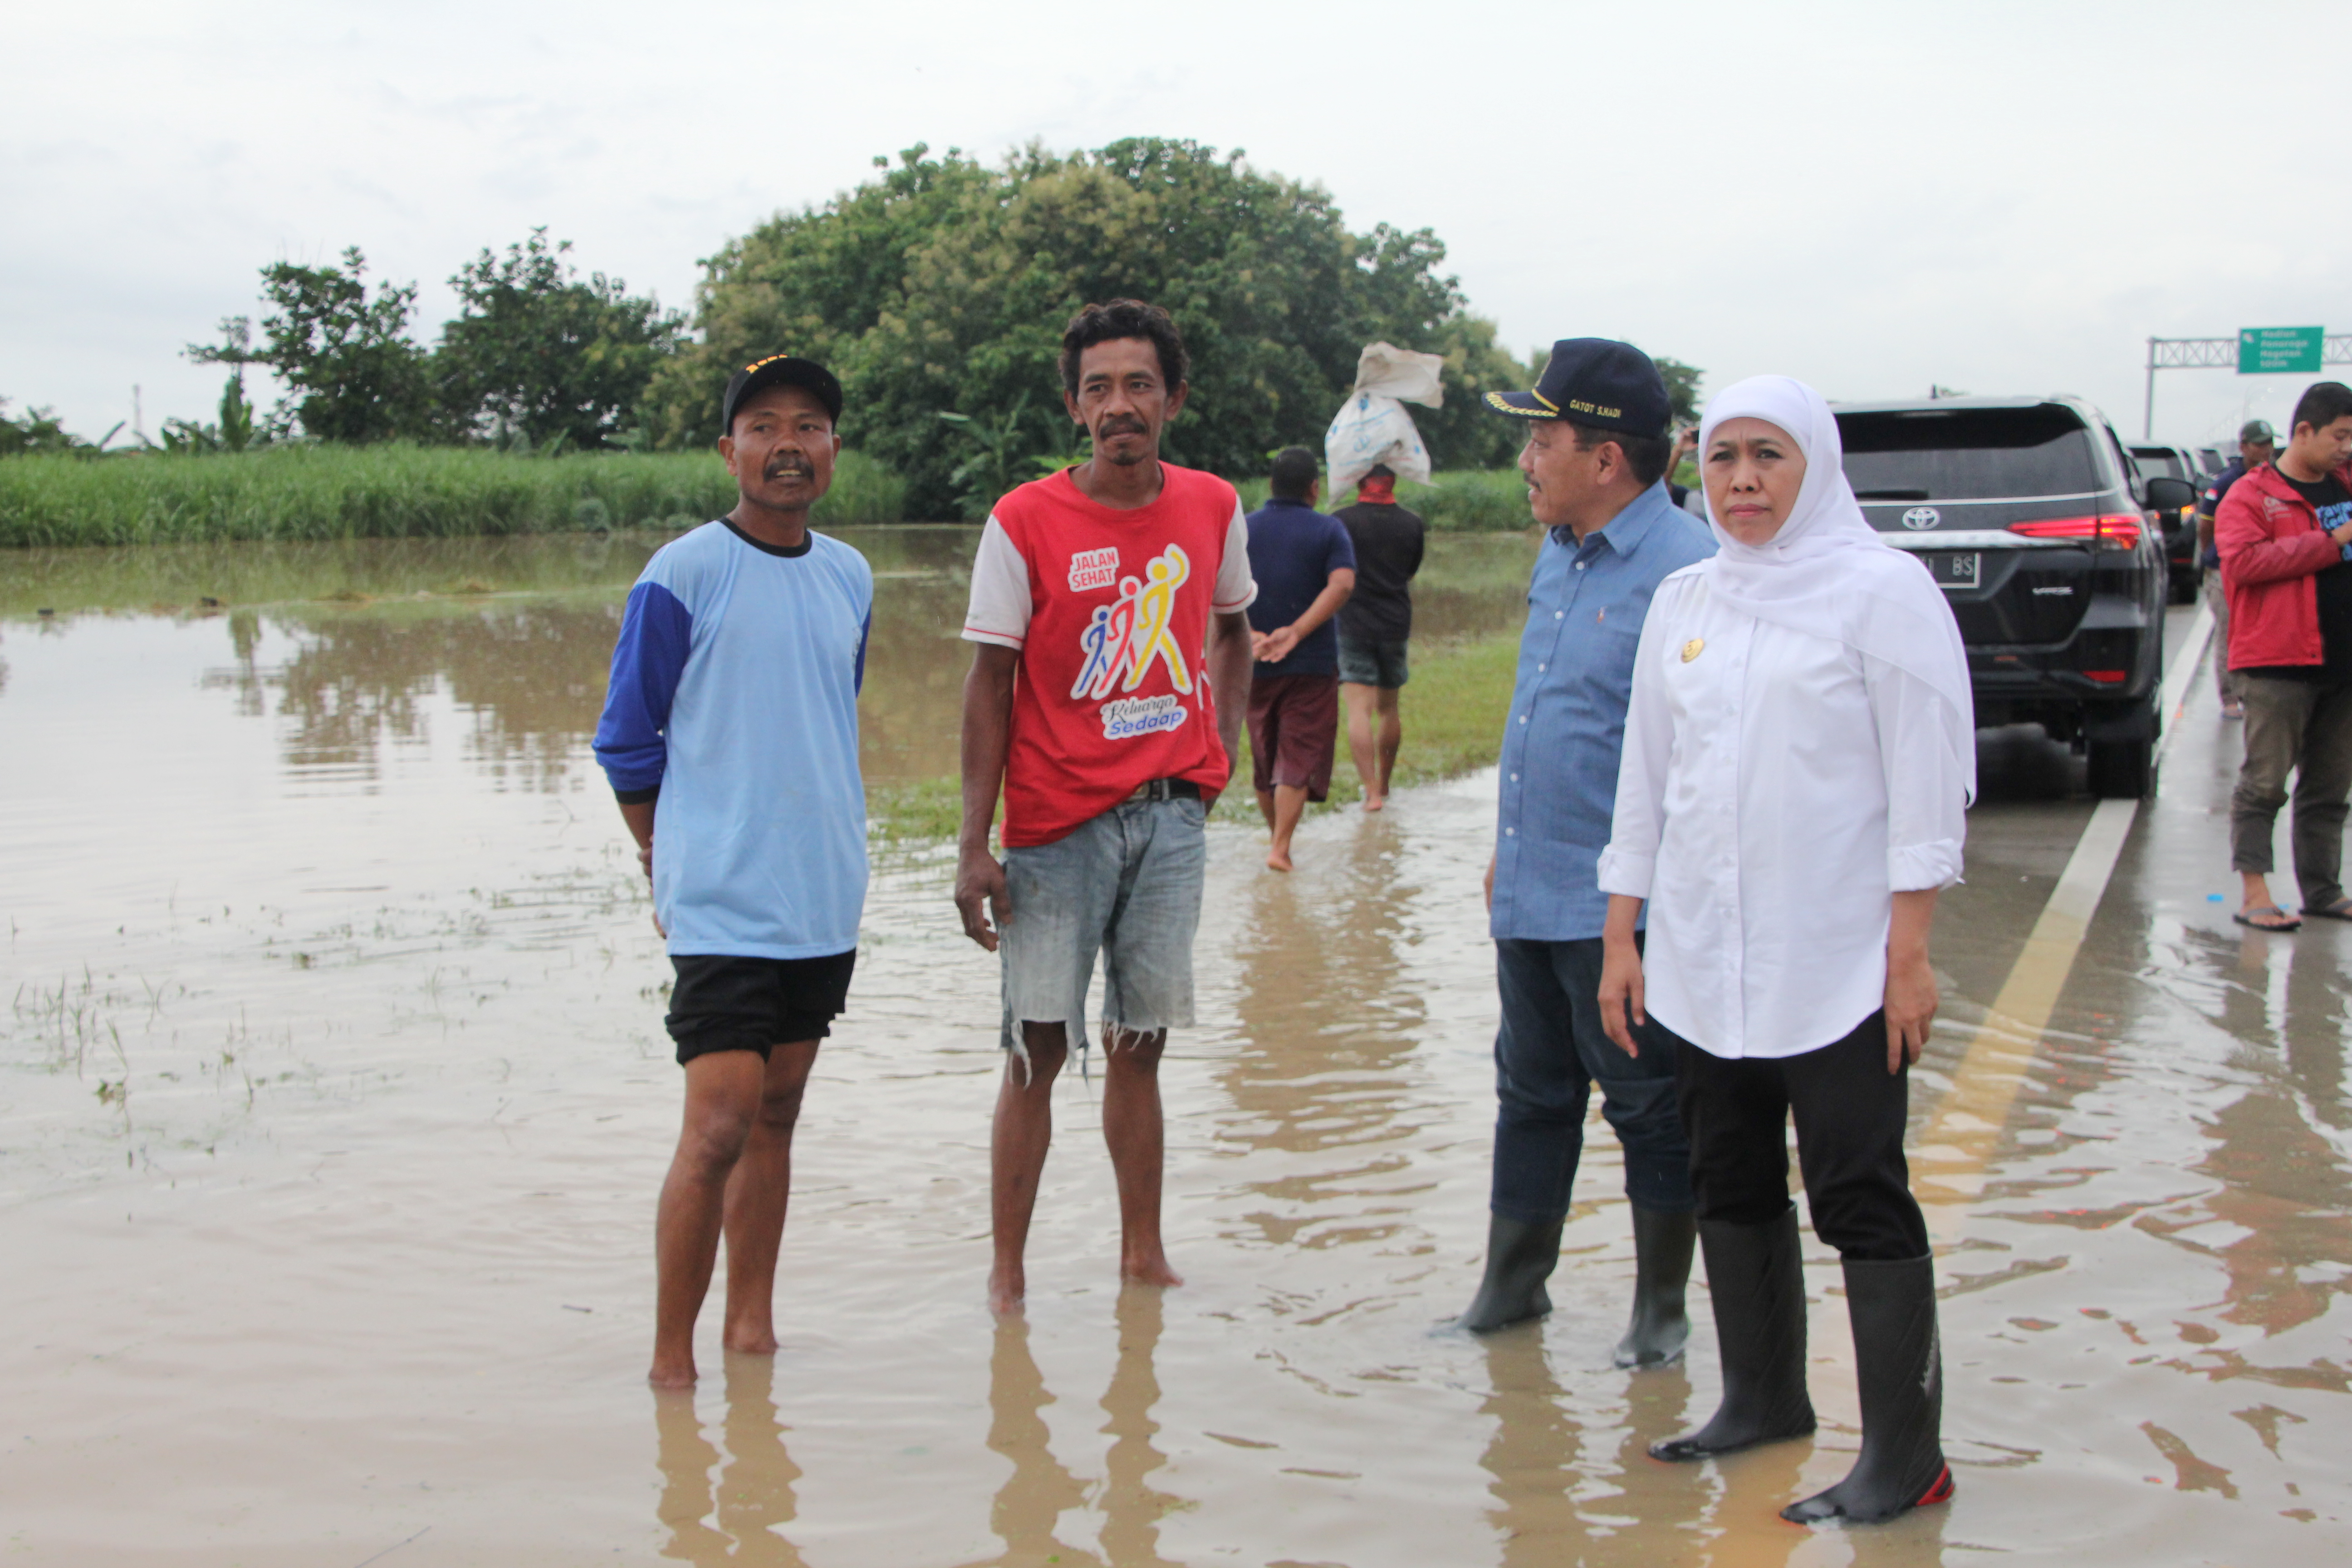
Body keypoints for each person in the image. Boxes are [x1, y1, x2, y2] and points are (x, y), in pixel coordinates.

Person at [1597, 375, 1974, 1526]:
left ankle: (1905, 1457)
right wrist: (1624, 935)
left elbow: (1926, 780)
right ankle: (1761, 1398)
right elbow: (1645, 776)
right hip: (1707, 959)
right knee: (1731, 1174)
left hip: (1841, 959)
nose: (1743, 481)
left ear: (1813, 465)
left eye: (1768, 456)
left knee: (1859, 1189)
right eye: (1721, 458)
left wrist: (1907, 952)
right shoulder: (1684, 597)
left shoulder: (1880, 592)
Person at [954, 299, 1257, 1314]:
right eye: (1098, 389)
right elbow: (988, 684)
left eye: (1138, 385)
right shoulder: (1024, 520)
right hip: (1053, 826)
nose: (1119, 405)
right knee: (1037, 1050)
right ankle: (1008, 1274)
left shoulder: (1214, 504)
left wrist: (1218, 754)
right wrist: (972, 846)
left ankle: (1142, 1256)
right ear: (1075, 407)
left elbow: (1234, 630)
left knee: (1143, 1041)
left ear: (1173, 397)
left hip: (1170, 817)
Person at [593, 354, 874, 1388]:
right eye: (762, 426)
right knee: (715, 1126)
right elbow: (627, 740)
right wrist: (662, 857)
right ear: (729, 450)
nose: (787, 443)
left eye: (808, 424)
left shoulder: (850, 574)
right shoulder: (682, 571)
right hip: (720, 896)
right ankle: (671, 1366)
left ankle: (751, 1332)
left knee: (779, 1111)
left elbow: (822, 715)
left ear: (834, 449)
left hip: (819, 892)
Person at [1458, 338, 1715, 1365]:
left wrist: (1649, 903)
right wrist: (1502, 848)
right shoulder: (1558, 549)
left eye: (1542, 437)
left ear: (1605, 457)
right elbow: (1548, 710)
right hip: (1530, 883)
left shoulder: (1691, 571)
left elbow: (1703, 760)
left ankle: (1660, 1313)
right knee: (1529, 1092)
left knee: (1647, 1107)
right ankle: (1508, 1295)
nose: (1526, 458)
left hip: (1628, 910)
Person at [2217, 382, 2352, 932]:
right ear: (2304, 432)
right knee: (2265, 784)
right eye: (2340, 436)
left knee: (2330, 788)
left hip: (2342, 665)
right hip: (2278, 663)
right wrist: (2334, 540)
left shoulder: (2345, 483)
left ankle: (2323, 890)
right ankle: (2255, 892)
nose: (2347, 448)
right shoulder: (2252, 496)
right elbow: (2244, 563)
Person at [1245, 446, 1356, 869]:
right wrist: (1297, 632)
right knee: (1296, 752)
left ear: (1270, 486)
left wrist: (1249, 633)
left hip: (1254, 662)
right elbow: (1343, 585)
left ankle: (1276, 838)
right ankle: (1280, 848)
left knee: (1264, 754)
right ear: (1315, 488)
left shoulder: (1243, 528)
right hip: (1311, 663)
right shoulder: (1329, 530)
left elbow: (1217, 586)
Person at [1332, 462, 1425, 811]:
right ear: (1393, 481)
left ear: (1358, 480)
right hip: (1395, 624)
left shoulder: (1341, 521)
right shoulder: (1412, 523)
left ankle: (1370, 792)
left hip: (1353, 623)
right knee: (1389, 709)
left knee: (1359, 710)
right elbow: (1411, 570)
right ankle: (1385, 785)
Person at [2199, 418, 2279, 718]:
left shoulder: (2276, 480)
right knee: (2229, 631)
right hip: (2226, 569)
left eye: (2269, 443)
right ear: (2244, 446)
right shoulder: (2225, 484)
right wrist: (2212, 558)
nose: (2266, 450)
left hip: (2263, 567)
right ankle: (2230, 696)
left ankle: (2255, 690)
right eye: (2259, 444)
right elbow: (2206, 527)